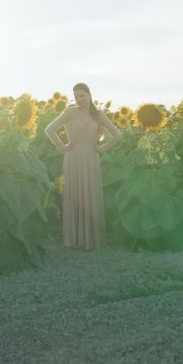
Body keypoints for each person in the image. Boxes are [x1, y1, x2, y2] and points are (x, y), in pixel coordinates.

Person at [45, 83, 122, 250]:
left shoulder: (99, 114)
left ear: (89, 94)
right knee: (75, 195)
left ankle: (90, 239)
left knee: (90, 194)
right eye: (76, 97)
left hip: (91, 157)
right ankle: (75, 239)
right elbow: (49, 129)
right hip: (73, 156)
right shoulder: (70, 112)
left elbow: (116, 135)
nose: (79, 99)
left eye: (82, 95)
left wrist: (101, 149)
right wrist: (62, 146)